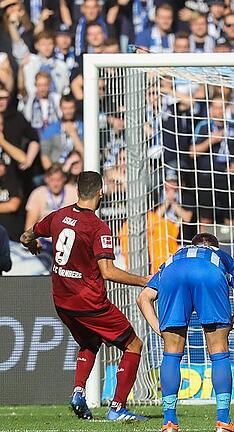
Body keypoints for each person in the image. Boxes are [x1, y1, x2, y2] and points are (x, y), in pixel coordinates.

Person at [18, 171, 150, 421]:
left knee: (90, 342)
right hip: (89, 303)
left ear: (77, 191)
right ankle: (118, 408)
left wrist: (33, 245)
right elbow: (108, 272)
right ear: (100, 192)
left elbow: (25, 236)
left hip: (62, 301)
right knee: (134, 345)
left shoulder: (59, 216)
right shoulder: (98, 228)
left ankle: (79, 392)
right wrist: (145, 280)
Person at [136, 232, 234, 432]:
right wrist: (232, 323)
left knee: (171, 353)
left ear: (191, 246)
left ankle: (169, 422)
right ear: (215, 246)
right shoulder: (221, 256)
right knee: (218, 350)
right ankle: (223, 422)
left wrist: (159, 329)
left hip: (173, 276)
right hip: (209, 273)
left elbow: (143, 298)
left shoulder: (173, 258)